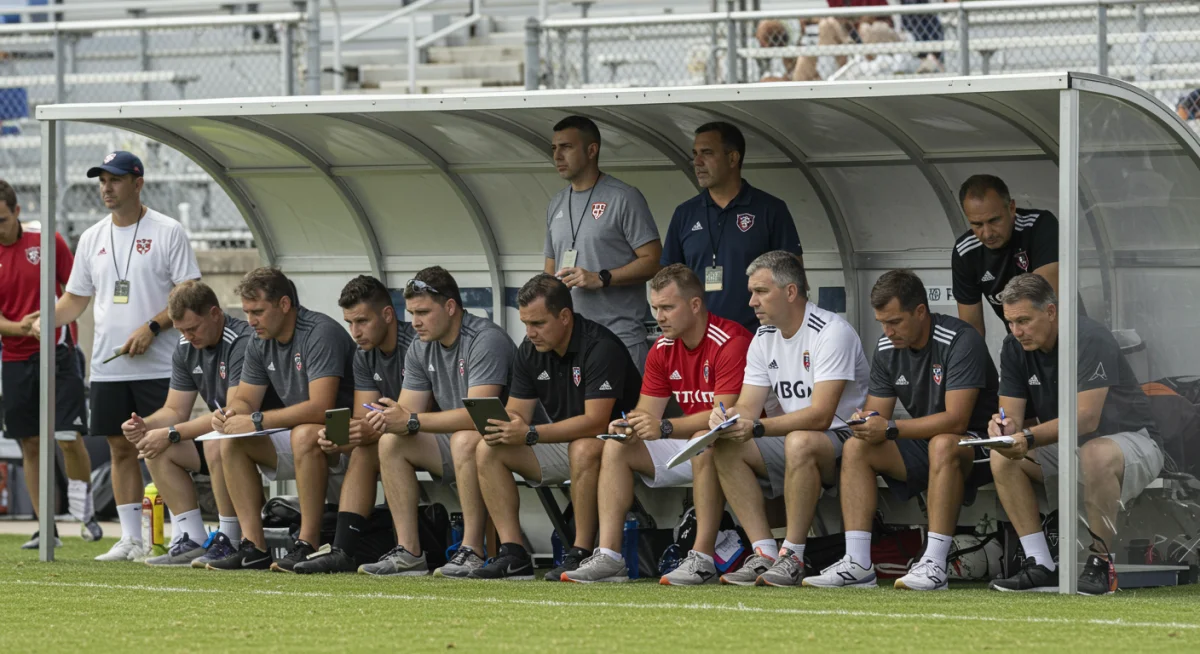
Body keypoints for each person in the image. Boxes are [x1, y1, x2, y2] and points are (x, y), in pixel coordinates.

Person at [38, 151, 201, 561]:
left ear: (137, 182)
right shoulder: (92, 237)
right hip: (109, 365)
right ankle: (130, 538)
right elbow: (75, 300)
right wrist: (43, 319)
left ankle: (186, 533)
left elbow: (190, 294)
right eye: (101, 181)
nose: (106, 188)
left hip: (163, 362)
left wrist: (152, 327)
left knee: (161, 444)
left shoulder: (168, 230)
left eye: (114, 179)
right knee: (119, 447)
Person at [306, 269, 513, 578]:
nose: (415, 321)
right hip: (456, 441)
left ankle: (471, 549)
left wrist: (409, 420)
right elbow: (404, 413)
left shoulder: (484, 338)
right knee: (389, 441)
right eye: (412, 313)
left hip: (504, 440)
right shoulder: (420, 345)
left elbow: (479, 416)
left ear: (451, 307)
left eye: (423, 312)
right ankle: (409, 552)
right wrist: (366, 429)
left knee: (464, 439)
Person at [801, 270, 998, 590]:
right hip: (926, 442)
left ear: (920, 311)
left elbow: (957, 420)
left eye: (894, 321)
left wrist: (889, 428)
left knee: (944, 444)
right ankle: (858, 563)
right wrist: (864, 423)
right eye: (882, 322)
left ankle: (934, 564)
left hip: (979, 443)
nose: (887, 331)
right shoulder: (886, 346)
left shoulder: (961, 340)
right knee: (856, 447)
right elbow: (878, 411)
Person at [563, 264, 751, 585]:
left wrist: (662, 428)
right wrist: (630, 427)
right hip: (689, 442)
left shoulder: (729, 340)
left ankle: (702, 558)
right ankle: (610, 556)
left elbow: (725, 416)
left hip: (734, 443)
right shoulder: (662, 349)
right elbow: (647, 414)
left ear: (694, 305)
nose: (659, 317)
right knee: (617, 447)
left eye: (667, 307)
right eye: (655, 308)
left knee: (707, 439)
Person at [987, 274, 1163, 595]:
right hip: (1068, 445)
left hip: (1135, 442)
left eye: (1024, 320)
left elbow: (1086, 418)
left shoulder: (1088, 336)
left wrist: (1025, 436)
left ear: (1051, 312)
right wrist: (1003, 429)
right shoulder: (1013, 345)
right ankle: (1039, 563)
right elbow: (1009, 415)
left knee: (1096, 451)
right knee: (1001, 453)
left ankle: (1100, 565)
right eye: (1010, 322)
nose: (1016, 331)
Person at [709, 251, 869, 586]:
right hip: (794, 440)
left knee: (799, 440)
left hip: (842, 440)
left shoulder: (830, 331)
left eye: (761, 292)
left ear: (791, 292)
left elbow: (823, 415)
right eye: (752, 292)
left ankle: (792, 555)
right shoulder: (764, 336)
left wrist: (757, 426)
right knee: (725, 445)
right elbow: (748, 408)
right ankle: (764, 553)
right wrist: (725, 418)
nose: (752, 301)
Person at [471, 274, 640, 580]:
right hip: (565, 442)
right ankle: (514, 553)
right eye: (525, 323)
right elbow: (517, 412)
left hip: (620, 445)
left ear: (564, 316)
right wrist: (511, 425)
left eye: (537, 323)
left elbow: (596, 422)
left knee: (584, 446)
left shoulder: (600, 346)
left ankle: (581, 552)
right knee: (488, 448)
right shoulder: (529, 349)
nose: (530, 333)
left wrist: (531, 433)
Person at [206, 267, 355, 572]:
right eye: (247, 312)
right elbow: (245, 398)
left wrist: (257, 420)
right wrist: (231, 415)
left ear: (284, 305)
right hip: (309, 437)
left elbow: (321, 407)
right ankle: (254, 547)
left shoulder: (319, 332)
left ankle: (308, 543)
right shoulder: (259, 340)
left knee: (302, 434)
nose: (251, 321)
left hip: (348, 436)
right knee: (232, 442)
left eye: (258, 311)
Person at [291, 275, 417, 574]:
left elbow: (416, 413)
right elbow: (366, 416)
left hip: (429, 432)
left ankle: (409, 550)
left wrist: (370, 429)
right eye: (349, 323)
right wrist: (341, 438)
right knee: (359, 447)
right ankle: (341, 551)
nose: (355, 332)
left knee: (379, 443)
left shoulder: (416, 344)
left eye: (362, 321)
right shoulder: (363, 355)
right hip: (399, 437)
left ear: (388, 314)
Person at [119, 280, 249, 566]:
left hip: (253, 436)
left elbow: (231, 413)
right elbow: (175, 410)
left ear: (215, 313)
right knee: (153, 444)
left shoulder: (241, 341)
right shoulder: (185, 347)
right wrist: (146, 425)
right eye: (181, 330)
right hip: (223, 434)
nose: (188, 337)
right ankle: (191, 539)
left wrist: (171, 433)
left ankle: (231, 540)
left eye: (193, 328)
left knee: (217, 443)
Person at [0, 179, 100, 549]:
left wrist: (48, 322)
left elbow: (77, 291)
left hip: (59, 353)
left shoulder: (47, 243)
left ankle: (85, 515)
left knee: (67, 437)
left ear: (18, 214)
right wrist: (21, 327)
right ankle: (47, 529)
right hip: (15, 358)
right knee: (29, 442)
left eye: (2, 220)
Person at [544, 115, 662, 370]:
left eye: (566, 147)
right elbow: (549, 271)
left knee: (624, 412)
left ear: (592, 150)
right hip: (570, 341)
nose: (557, 156)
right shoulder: (556, 203)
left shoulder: (624, 197)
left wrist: (601, 277)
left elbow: (653, 260)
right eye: (554, 148)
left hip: (619, 339)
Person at [661, 122, 803, 333]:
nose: (697, 162)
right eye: (695, 154)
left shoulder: (770, 209)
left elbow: (794, 278)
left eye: (707, 153)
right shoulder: (685, 213)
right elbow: (667, 281)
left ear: (733, 158)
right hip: (701, 340)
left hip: (757, 337)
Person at [952, 174, 1059, 337]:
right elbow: (972, 330)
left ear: (1011, 208)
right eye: (977, 224)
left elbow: (1043, 304)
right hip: (1021, 342)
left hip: (1064, 339)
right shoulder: (965, 252)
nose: (987, 233)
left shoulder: (1039, 227)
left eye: (994, 220)